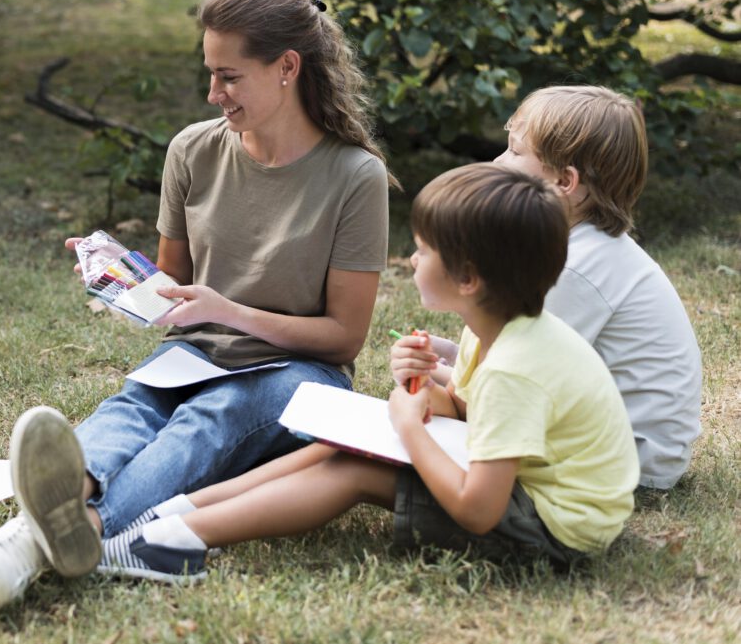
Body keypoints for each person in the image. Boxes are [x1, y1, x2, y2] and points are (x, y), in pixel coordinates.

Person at [0, 0, 394, 609]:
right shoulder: (192, 150)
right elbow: (174, 295)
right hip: (193, 357)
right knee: (129, 411)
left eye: (229, 77)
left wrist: (230, 312)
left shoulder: (355, 175)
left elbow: (343, 339)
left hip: (298, 376)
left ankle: (64, 535)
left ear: (287, 68)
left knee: (208, 418)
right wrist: (122, 277)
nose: (213, 93)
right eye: (210, 74)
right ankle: (41, 526)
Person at [53, 163, 640, 582]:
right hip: (530, 486)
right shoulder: (497, 329)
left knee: (355, 470)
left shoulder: (516, 367)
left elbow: (478, 509)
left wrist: (409, 426)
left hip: (555, 530)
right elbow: (472, 412)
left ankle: (168, 543)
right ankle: (170, 515)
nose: (412, 259)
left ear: (468, 279)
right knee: (342, 441)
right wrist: (433, 392)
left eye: (423, 250)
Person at [398, 86, 702, 490]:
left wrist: (435, 376)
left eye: (514, 151)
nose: (497, 161)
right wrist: (452, 359)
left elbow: (512, 386)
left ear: (563, 181)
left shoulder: (573, 271)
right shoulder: (576, 248)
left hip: (628, 460)